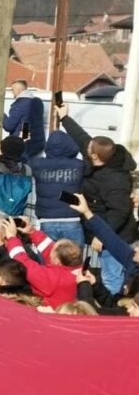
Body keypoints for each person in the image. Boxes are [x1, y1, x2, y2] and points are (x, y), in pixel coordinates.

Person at [56, 103, 137, 295]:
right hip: (98, 224)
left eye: (88, 150)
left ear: (95, 156)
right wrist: (64, 118)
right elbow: (81, 136)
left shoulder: (115, 180)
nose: (85, 147)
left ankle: (110, 313)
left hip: (116, 236)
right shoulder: (97, 151)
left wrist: (102, 236)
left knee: (111, 276)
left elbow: (120, 211)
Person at [2, 218, 81, 308]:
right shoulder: (77, 269)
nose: (51, 247)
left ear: (57, 261)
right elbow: (51, 249)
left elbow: (23, 263)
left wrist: (12, 238)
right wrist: (32, 232)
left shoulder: (53, 278)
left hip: (51, 317)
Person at [27, 129, 84, 247]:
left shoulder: (37, 164)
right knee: (73, 262)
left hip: (47, 220)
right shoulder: (79, 165)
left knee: (47, 261)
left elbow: (23, 159)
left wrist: (24, 140)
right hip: (71, 218)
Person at [3, 79, 47, 158]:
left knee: (22, 168)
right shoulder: (38, 102)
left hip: (23, 146)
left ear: (18, 90)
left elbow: (8, 126)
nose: (11, 92)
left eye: (12, 90)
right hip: (38, 143)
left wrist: (2, 116)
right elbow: (27, 123)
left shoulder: (19, 105)